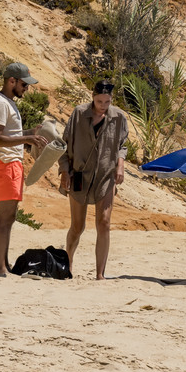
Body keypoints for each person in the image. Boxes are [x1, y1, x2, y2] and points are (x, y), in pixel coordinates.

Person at [61, 80, 130, 280]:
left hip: (105, 176)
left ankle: (100, 274)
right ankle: (69, 265)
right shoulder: (78, 113)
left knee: (104, 223)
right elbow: (63, 145)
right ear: (92, 96)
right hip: (80, 175)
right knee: (77, 226)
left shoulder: (118, 117)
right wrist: (65, 171)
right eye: (99, 101)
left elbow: (122, 145)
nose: (103, 106)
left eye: (107, 102)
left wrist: (120, 165)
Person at [0, 63, 46, 277]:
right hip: (4, 164)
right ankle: (0, 268)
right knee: (4, 218)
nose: (26, 89)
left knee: (9, 217)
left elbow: (9, 134)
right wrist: (28, 138)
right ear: (11, 81)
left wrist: (30, 132)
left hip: (11, 164)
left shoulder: (8, 102)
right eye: (24, 84)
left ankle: (4, 264)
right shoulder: (1, 104)